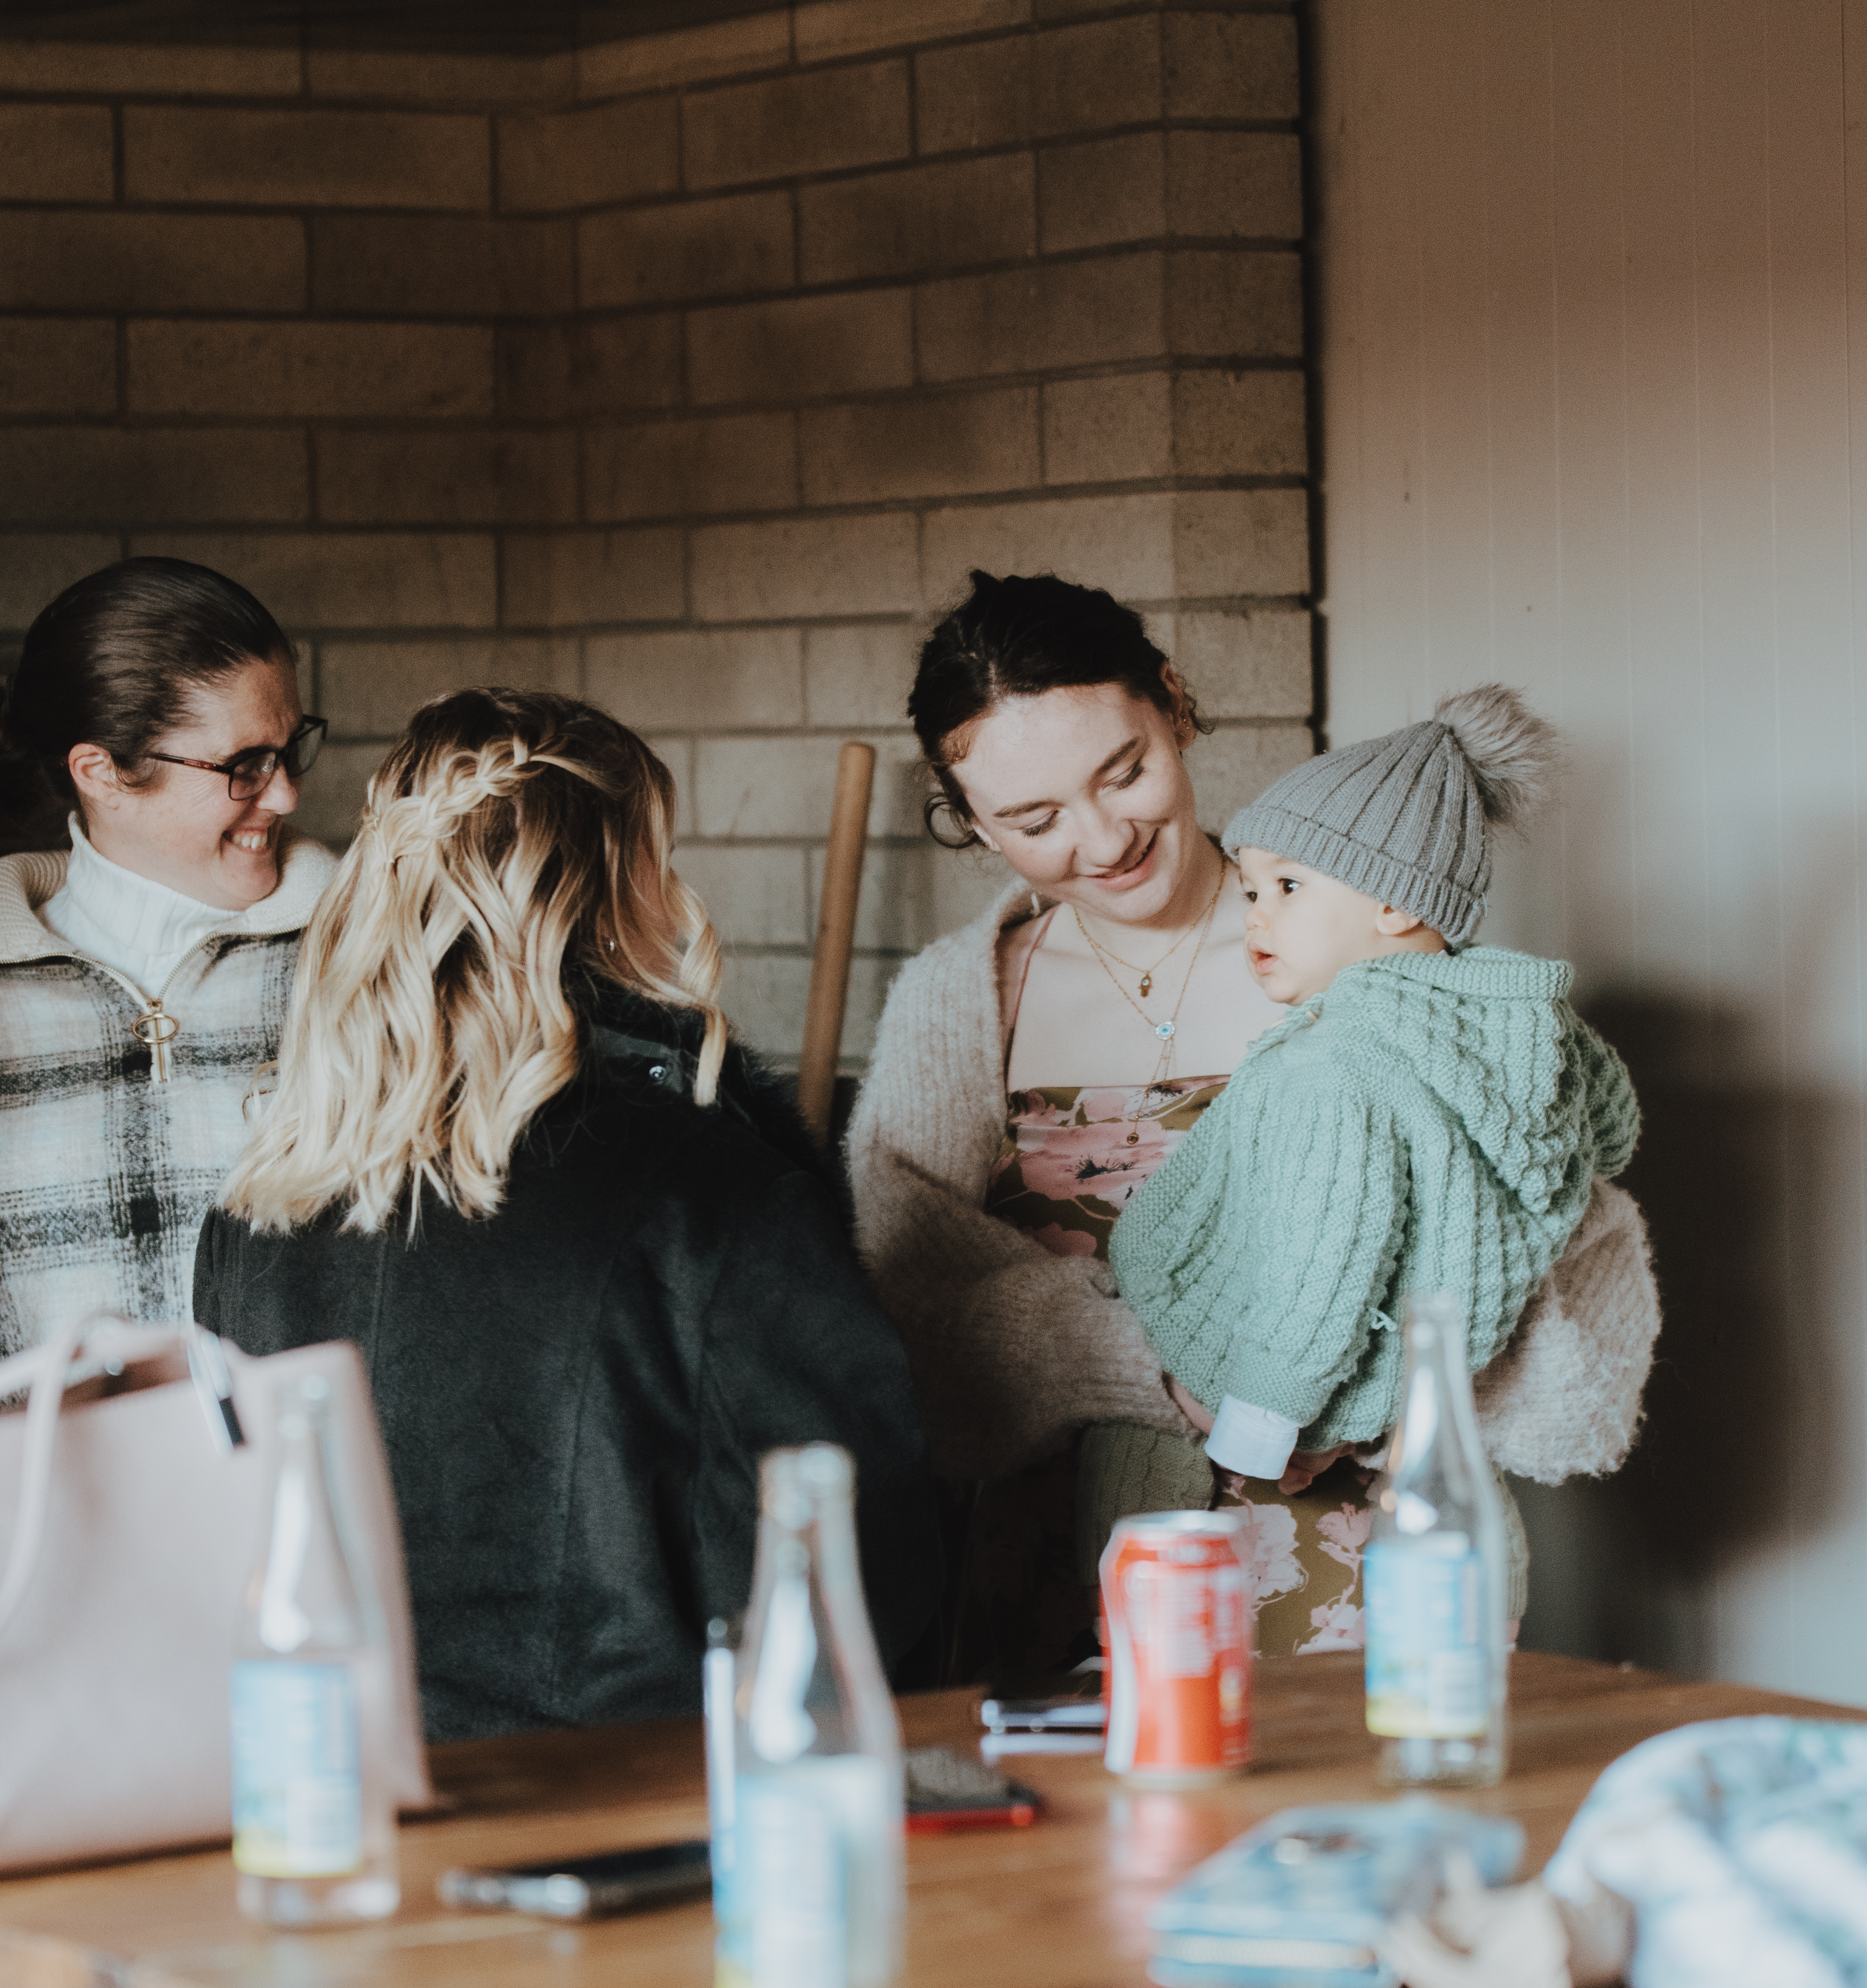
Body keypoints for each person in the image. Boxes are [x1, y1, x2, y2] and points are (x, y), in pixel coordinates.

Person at [846, 572, 1659, 1677]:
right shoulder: (960, 999)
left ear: (1173, 707)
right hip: (1070, 1580)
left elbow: (1547, 1258)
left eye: (1122, 771)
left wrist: (1368, 1387)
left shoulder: (1365, 960)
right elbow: (892, 1316)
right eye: (1033, 820)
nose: (1100, 838)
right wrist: (1151, 1368)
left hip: (1372, 1574)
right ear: (973, 824)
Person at [194, 688, 939, 1741]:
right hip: (639, 1820)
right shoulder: (714, 1189)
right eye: (657, 854)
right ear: (620, 881)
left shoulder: (258, 1211)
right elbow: (852, 1567)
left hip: (342, 1791)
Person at [1112, 691, 1644, 1499]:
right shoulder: (1519, 1019)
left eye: (1288, 888)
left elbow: (1319, 1271)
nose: (1257, 920)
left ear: (1396, 905)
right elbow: (1613, 1134)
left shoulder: (1333, 1065)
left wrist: (1256, 1431)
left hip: (1285, 1409)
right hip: (1421, 1395)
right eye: (1251, 892)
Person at [0, 558, 334, 1404]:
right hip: (36, 1521)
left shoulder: (365, 968)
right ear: (100, 772)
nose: (284, 793)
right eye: (245, 765)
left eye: (290, 751)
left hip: (320, 1508)